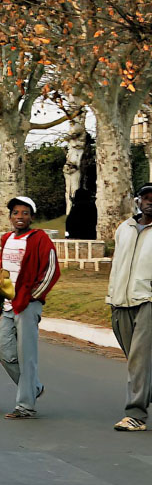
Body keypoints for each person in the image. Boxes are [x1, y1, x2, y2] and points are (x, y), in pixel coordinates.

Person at [0, 195, 60, 420]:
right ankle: (34, 388)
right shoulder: (7, 239)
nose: (20, 217)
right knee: (1, 349)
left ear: (32, 216)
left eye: (25, 213)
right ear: (10, 216)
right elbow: (3, 270)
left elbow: (52, 270)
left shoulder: (40, 239)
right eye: (15, 213)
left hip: (27, 304)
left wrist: (34, 296)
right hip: (7, 304)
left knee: (27, 356)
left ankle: (25, 406)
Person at [107, 184, 152, 432]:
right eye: (146, 198)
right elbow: (118, 263)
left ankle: (136, 414)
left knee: (139, 359)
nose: (150, 202)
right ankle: (145, 392)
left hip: (148, 301)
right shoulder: (124, 228)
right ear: (138, 201)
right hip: (120, 300)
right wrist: (112, 293)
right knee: (133, 358)